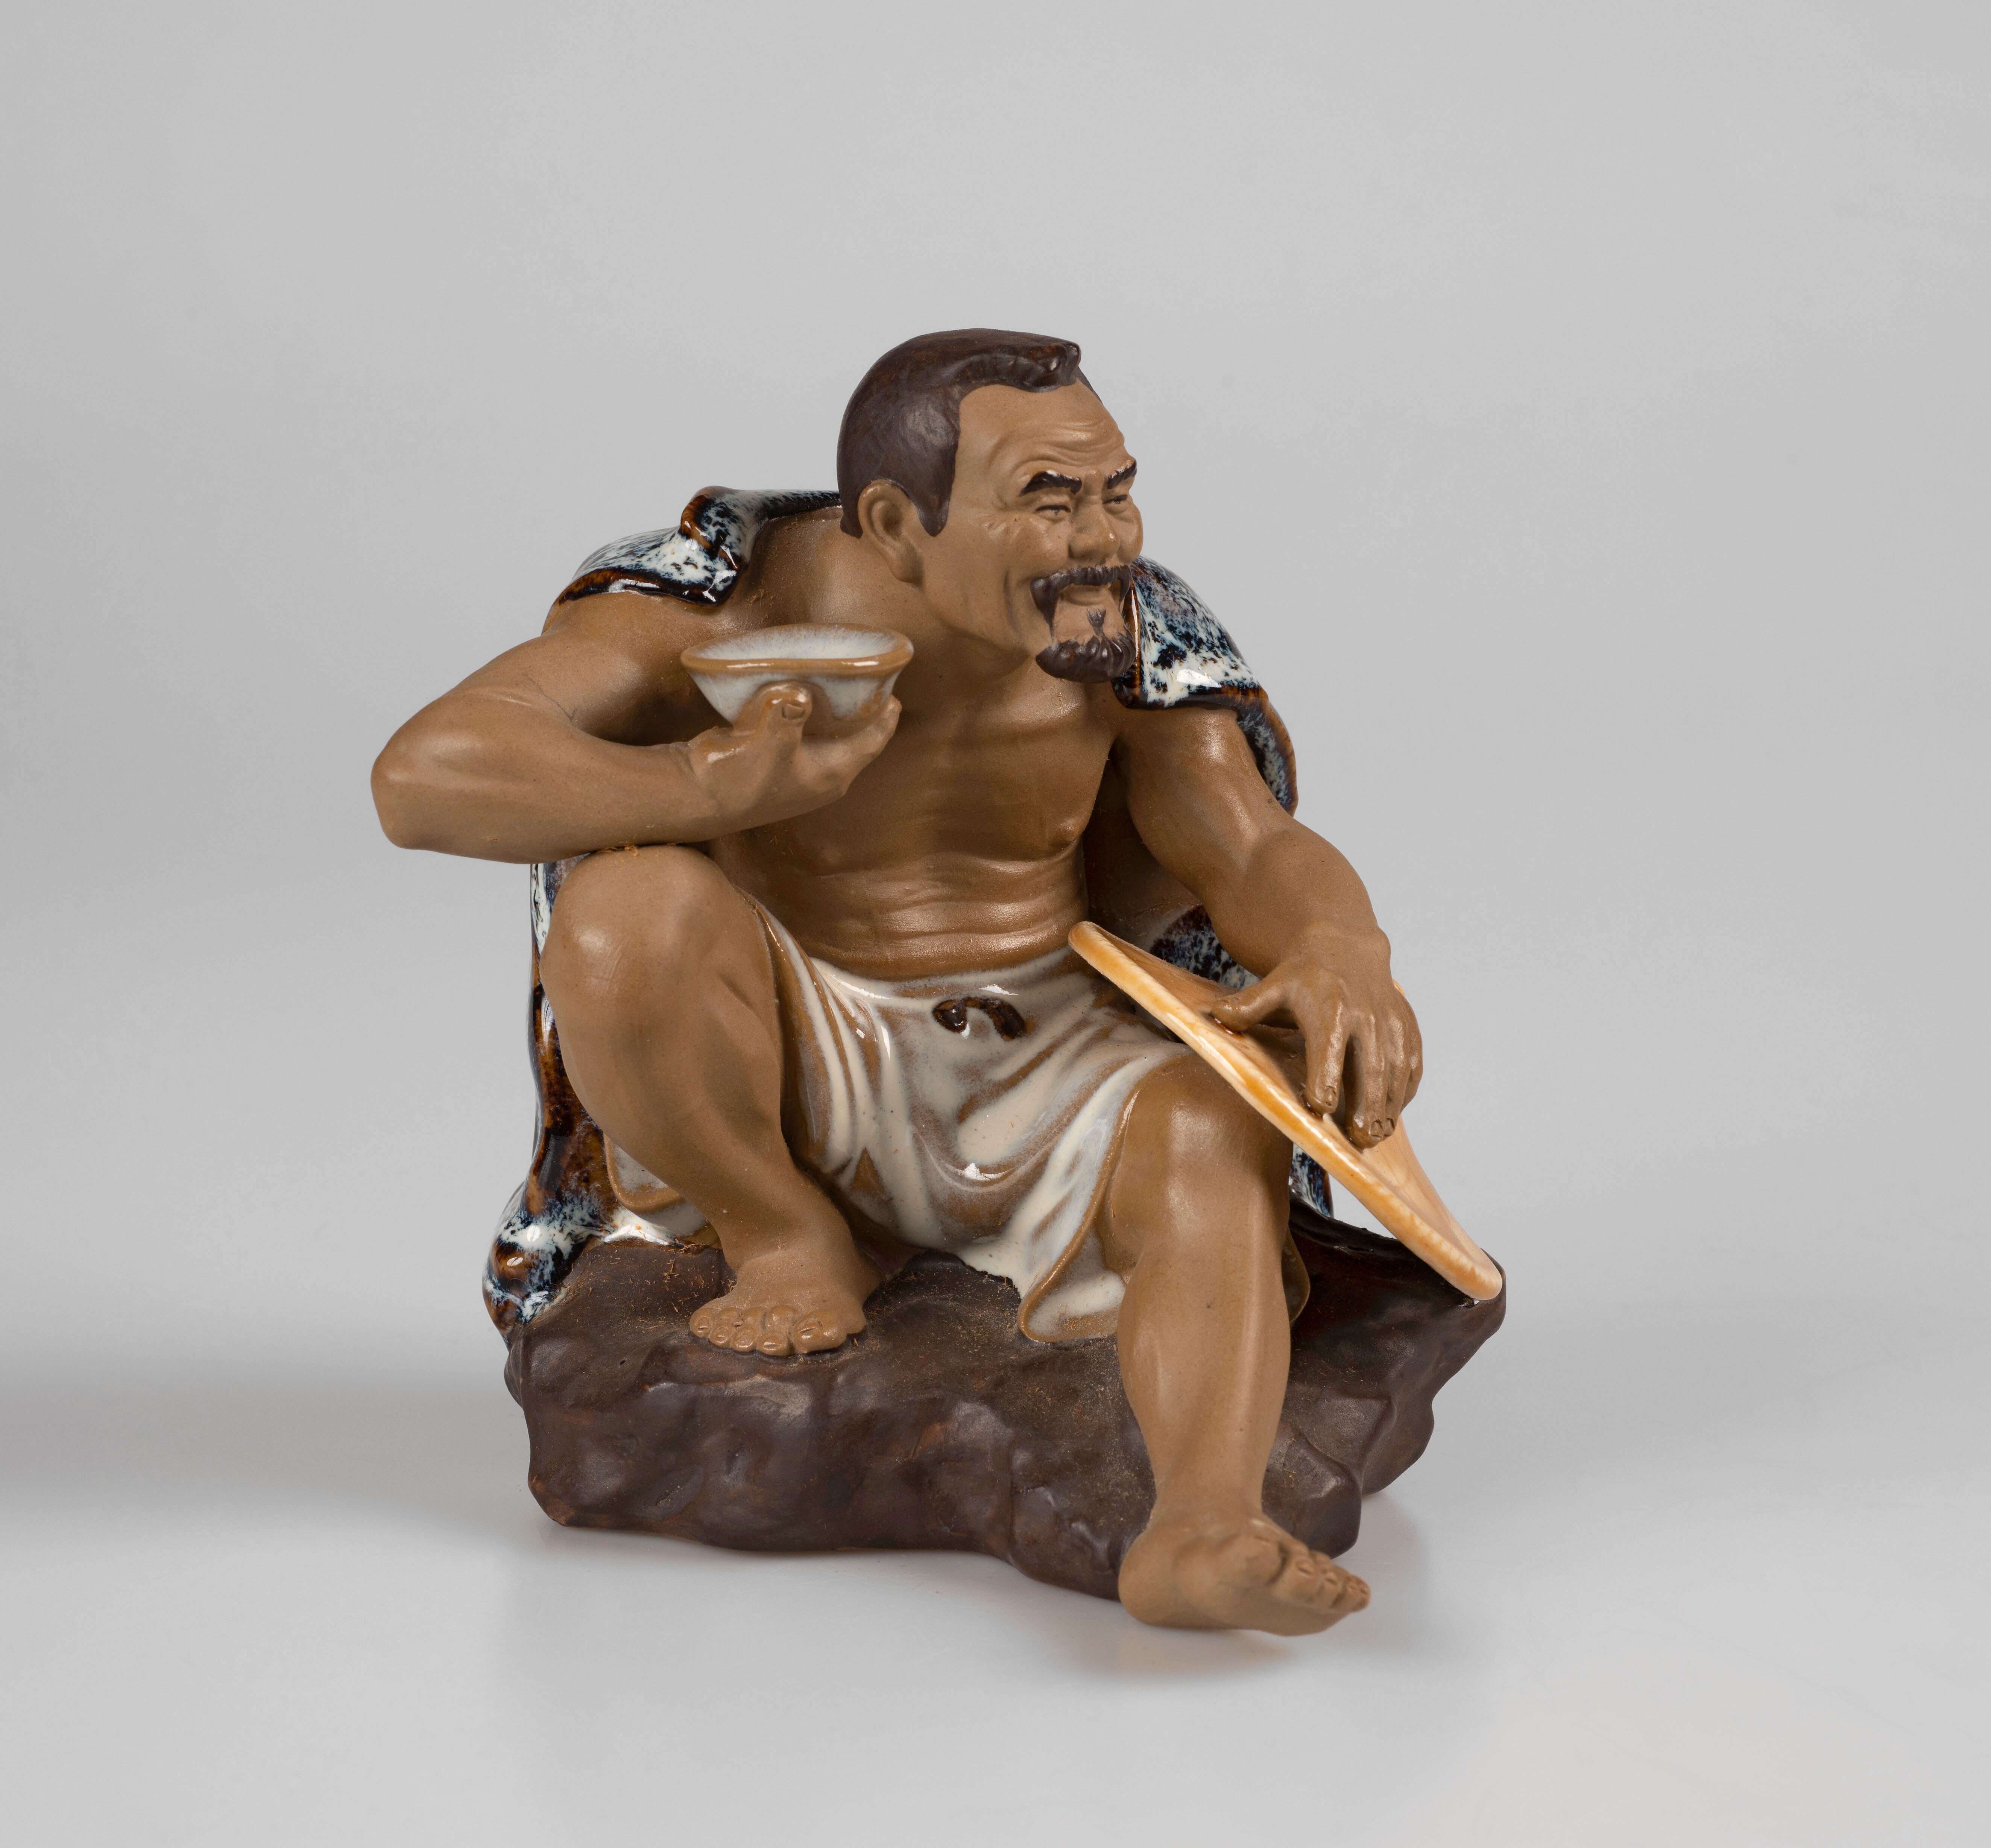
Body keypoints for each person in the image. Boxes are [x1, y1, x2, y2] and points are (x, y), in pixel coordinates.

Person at [373, 330, 1422, 1635]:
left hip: (1050, 1041)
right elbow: (425, 777)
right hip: (784, 1042)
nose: (1103, 537)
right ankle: (780, 1232)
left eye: (1117, 491)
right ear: (890, 522)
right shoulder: (726, 608)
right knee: (622, 920)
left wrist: (1341, 946)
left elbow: (1245, 842)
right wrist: (705, 786)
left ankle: (1201, 1526)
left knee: (1217, 1132)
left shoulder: (1119, 631)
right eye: (1049, 500)